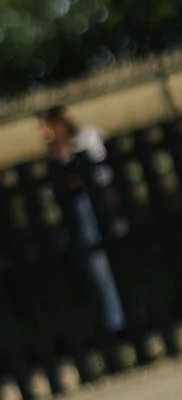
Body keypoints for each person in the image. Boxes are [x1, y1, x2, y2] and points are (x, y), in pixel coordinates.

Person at [39, 106, 126, 338]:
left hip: (96, 206)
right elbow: (49, 194)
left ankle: (118, 320)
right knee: (97, 268)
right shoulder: (53, 154)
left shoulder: (87, 138)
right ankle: (114, 319)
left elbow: (103, 175)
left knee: (105, 265)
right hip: (79, 214)